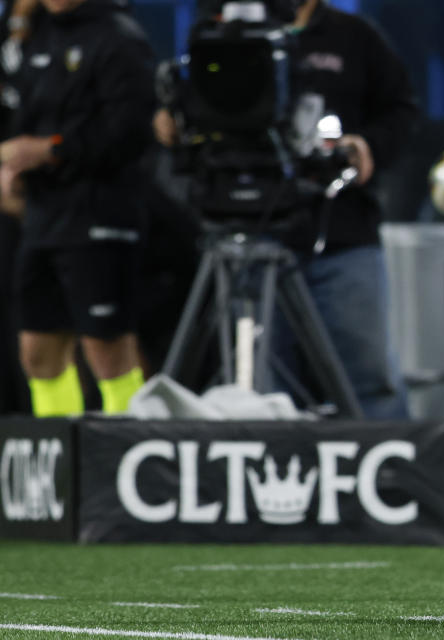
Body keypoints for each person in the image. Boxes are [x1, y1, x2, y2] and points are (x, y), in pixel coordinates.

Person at [168, 0, 416, 419]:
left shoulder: (355, 36)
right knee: (261, 388)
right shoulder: (220, 35)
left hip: (341, 235)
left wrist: (366, 146)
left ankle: (389, 480)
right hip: (248, 231)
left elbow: (402, 111)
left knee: (370, 379)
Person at [0, 0, 153, 416]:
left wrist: (51, 150)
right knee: (36, 349)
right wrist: (15, 166)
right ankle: (57, 460)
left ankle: (128, 448)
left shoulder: (118, 37)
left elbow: (131, 132)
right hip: (44, 215)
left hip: (101, 213)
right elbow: (22, 115)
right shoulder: (38, 35)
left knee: (106, 345)